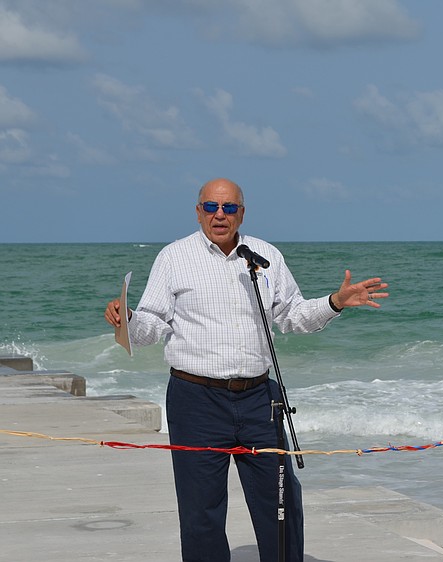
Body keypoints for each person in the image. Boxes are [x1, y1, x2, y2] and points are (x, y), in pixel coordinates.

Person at [104, 178, 389, 562]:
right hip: (195, 400)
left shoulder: (264, 255)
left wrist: (335, 302)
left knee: (282, 504)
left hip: (260, 400)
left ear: (242, 212)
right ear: (198, 211)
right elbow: (153, 325)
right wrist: (128, 319)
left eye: (228, 208)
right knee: (201, 511)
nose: (219, 215)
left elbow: (292, 316)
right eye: (210, 207)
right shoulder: (174, 257)